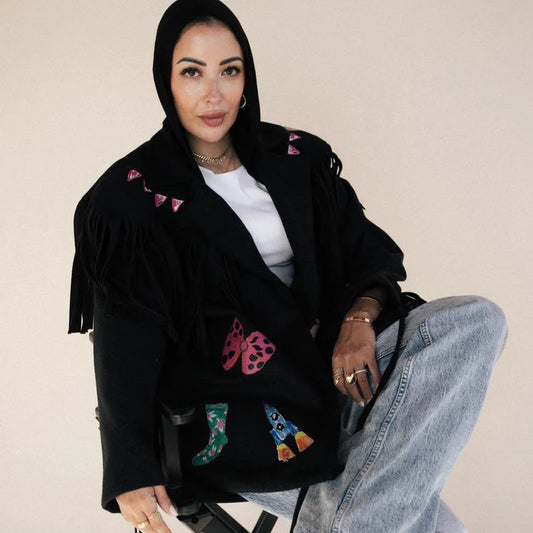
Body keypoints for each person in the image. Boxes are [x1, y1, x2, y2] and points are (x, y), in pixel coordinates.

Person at [68, 1, 508, 532]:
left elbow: (369, 251)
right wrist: (127, 466)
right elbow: (123, 338)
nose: (214, 94)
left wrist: (359, 320)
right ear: (166, 80)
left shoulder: (295, 158)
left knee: (477, 320)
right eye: (192, 73)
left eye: (229, 70)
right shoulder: (130, 199)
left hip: (336, 374)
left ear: (246, 77)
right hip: (241, 415)